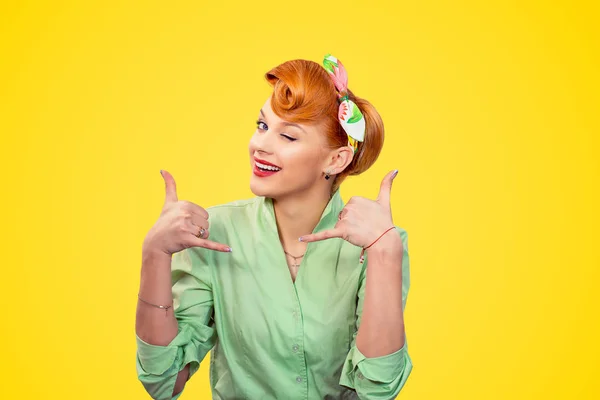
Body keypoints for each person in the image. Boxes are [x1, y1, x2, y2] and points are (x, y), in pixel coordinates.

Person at [135, 54, 412, 400]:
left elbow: (378, 389)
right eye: (263, 126)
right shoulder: (213, 232)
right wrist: (154, 256)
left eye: (289, 137)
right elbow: (164, 381)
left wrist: (384, 253)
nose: (260, 146)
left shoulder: (379, 245)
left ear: (336, 159)